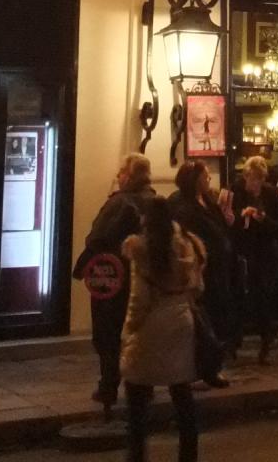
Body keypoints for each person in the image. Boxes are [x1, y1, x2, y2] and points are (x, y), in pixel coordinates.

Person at [120, 197, 203, 462]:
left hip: (151, 325)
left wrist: (128, 331)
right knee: (181, 391)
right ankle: (188, 455)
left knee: (137, 393)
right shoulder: (187, 246)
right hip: (181, 321)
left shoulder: (141, 249)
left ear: (146, 219)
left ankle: (137, 455)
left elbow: (139, 299)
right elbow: (198, 287)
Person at [75, 153, 156, 408]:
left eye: (121, 172)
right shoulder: (154, 201)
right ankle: (144, 385)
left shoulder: (120, 203)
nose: (118, 176)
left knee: (108, 333)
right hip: (143, 277)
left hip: (113, 277)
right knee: (139, 333)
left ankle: (108, 386)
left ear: (129, 176)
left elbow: (97, 237)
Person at [168, 161, 235, 375]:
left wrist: (227, 218)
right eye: (205, 176)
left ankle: (213, 364)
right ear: (195, 180)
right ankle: (202, 367)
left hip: (219, 268)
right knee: (203, 317)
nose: (209, 179)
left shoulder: (207, 200)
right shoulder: (181, 205)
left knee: (218, 313)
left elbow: (220, 228)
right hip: (201, 269)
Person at [231, 155, 278, 363]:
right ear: (245, 176)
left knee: (264, 293)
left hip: (266, 251)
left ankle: (267, 338)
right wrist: (241, 215)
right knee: (243, 295)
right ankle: (237, 339)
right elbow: (229, 220)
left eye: (260, 179)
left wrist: (263, 219)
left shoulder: (271, 194)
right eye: (252, 178)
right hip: (245, 250)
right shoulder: (236, 192)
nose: (255, 183)